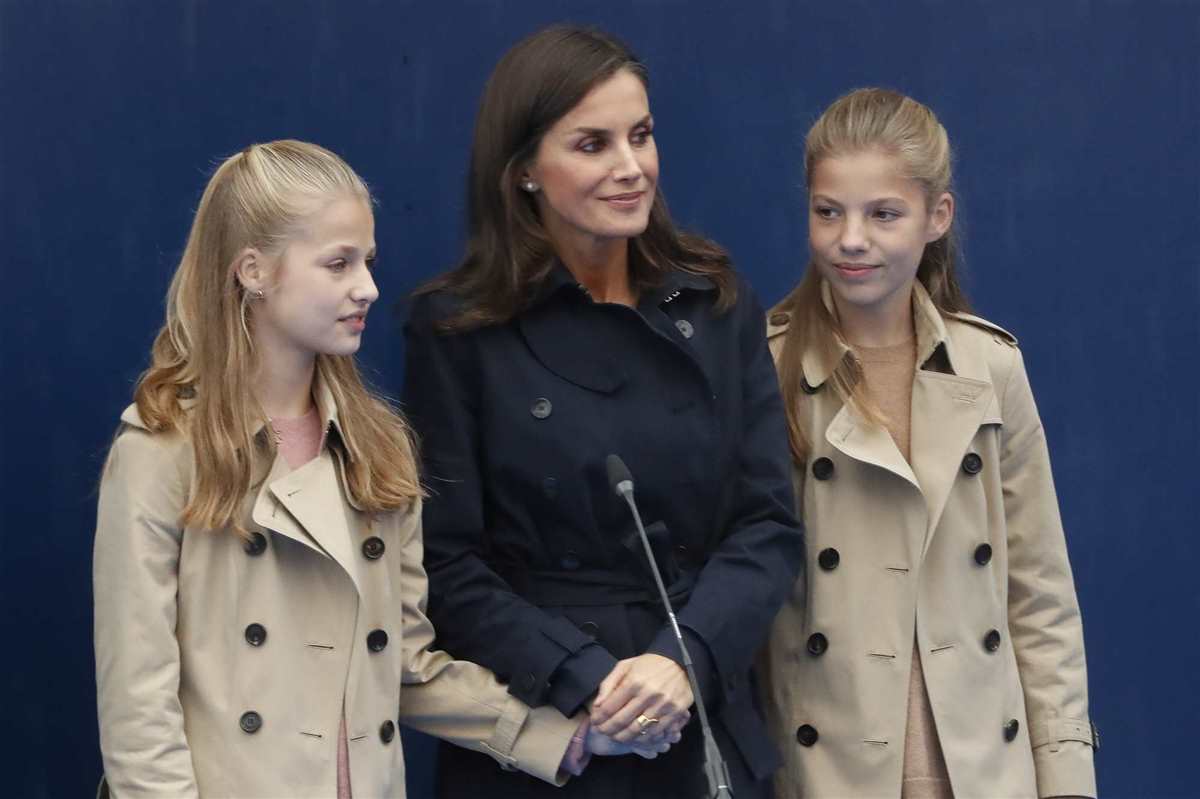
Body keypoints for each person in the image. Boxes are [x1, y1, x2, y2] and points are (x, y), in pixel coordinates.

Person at [92, 139, 667, 799]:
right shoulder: (164, 447)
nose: (366, 287)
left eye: (367, 261)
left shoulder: (376, 448)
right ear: (253, 270)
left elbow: (405, 666)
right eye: (337, 263)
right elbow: (139, 703)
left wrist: (566, 734)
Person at [401, 25, 804, 799]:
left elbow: (768, 526)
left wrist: (681, 659)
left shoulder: (716, 303)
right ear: (522, 171)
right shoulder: (458, 329)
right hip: (552, 734)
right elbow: (445, 565)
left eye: (642, 136)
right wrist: (587, 678)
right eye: (593, 144)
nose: (631, 168)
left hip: (696, 721)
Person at [758, 88, 1098, 799]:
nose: (852, 238)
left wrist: (1066, 777)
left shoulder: (990, 367)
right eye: (829, 212)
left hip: (984, 772)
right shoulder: (767, 367)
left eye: (884, 213)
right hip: (829, 771)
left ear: (936, 217)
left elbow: (1039, 596)